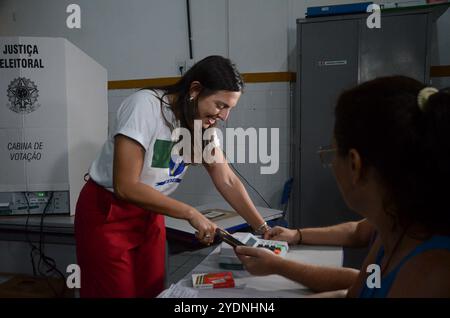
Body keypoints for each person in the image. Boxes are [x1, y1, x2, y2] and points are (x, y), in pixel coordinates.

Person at [75, 55, 270, 298]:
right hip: (109, 214)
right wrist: (190, 213)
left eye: (229, 108)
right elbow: (125, 186)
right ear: (195, 90)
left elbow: (227, 178)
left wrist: (262, 228)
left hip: (151, 213)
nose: (224, 116)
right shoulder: (146, 107)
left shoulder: (202, 125)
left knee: (153, 290)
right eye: (220, 105)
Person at [237, 76, 450, 297]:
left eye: (332, 153)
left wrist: (278, 266)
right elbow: (356, 292)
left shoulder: (431, 274)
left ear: (355, 164)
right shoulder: (392, 230)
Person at [236, 219, 374, 294]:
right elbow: (359, 231)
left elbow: (358, 284)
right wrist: (297, 235)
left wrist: (277, 265)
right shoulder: (387, 215)